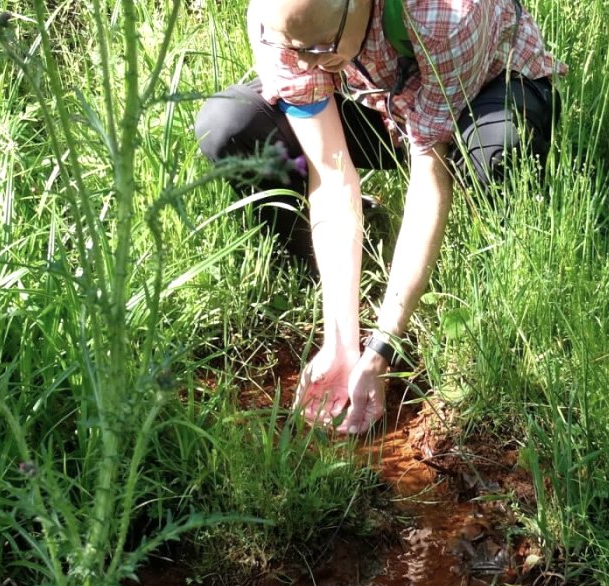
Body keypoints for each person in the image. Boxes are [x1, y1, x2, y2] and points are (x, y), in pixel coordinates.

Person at [194, 0, 565, 434]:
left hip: (481, 90)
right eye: (297, 50)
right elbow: (331, 173)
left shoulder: (447, 15)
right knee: (229, 124)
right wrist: (341, 342)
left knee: (499, 154)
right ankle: (354, 246)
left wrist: (383, 345)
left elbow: (429, 174)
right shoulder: (279, 24)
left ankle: (494, 289)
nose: (307, 61)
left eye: (320, 47)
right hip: (379, 102)